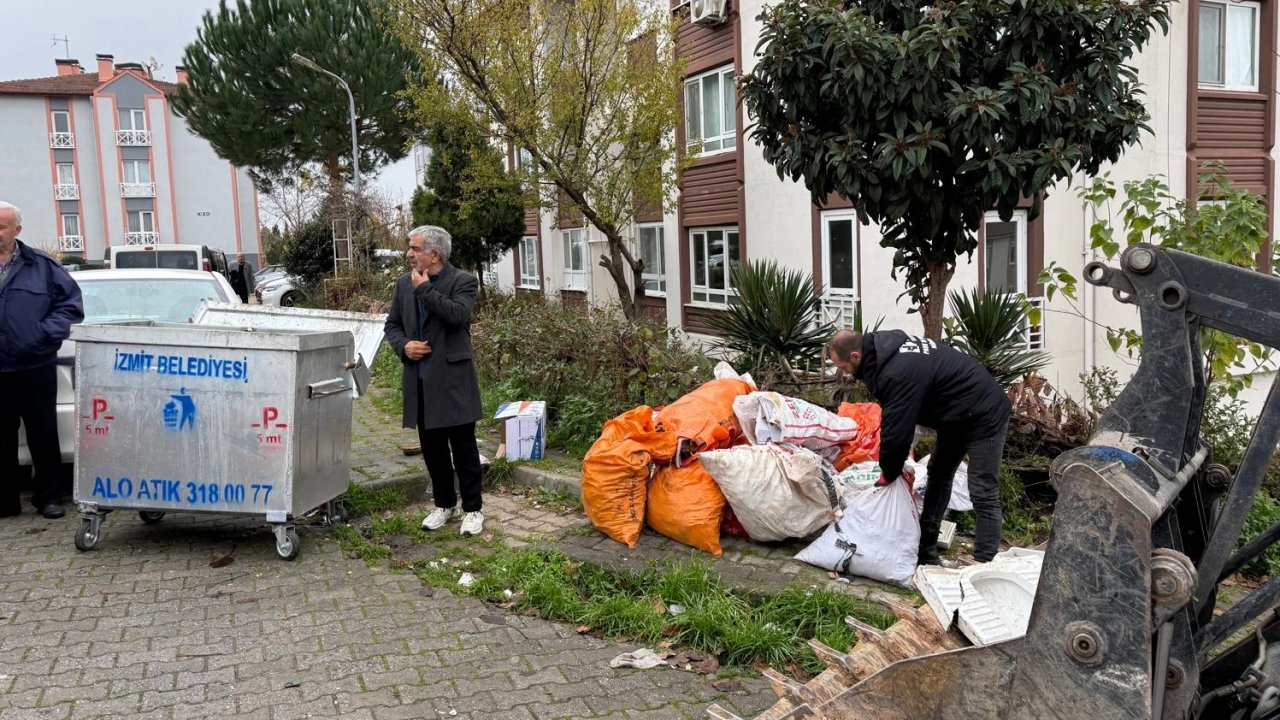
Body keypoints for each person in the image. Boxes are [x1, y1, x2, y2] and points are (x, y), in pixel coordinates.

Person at [827, 328, 1010, 565]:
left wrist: (889, 471)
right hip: (955, 414)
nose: (845, 373)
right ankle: (926, 553)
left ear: (855, 356)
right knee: (939, 475)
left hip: (986, 413)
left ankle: (985, 563)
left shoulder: (894, 372)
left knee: (983, 488)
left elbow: (897, 429)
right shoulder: (885, 353)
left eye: (843, 367)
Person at [383, 225, 486, 536]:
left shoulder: (463, 282)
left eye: (415, 249)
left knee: (464, 449)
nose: (408, 254)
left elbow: (456, 315)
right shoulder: (403, 285)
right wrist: (404, 346)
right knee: (433, 450)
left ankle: (473, 509)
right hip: (421, 381)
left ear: (434, 254)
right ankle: (444, 504)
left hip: (453, 381)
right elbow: (392, 325)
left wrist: (424, 290)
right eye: (410, 248)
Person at [0, 200, 84, 519]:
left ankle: (48, 498)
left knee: (43, 432)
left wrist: (42, 334)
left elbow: (70, 306)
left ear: (17, 230)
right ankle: (5, 503)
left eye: (1, 226)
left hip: (35, 364)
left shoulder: (43, 266)